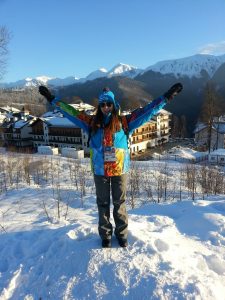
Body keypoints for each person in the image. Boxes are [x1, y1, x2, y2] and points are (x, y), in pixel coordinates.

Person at [39, 83, 183, 248]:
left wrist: (166, 97)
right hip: (100, 170)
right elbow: (70, 112)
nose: (106, 107)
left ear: (114, 105)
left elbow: (147, 111)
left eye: (109, 104)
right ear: (99, 106)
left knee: (119, 203)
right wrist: (52, 99)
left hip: (120, 170)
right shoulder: (91, 122)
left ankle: (122, 235)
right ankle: (105, 235)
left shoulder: (124, 122)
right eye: (103, 104)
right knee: (102, 204)